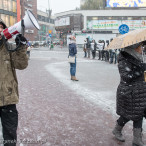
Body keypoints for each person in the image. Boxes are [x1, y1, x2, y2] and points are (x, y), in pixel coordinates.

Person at [0, 19, 28, 146]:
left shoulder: (10, 47)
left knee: (10, 136)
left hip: (8, 99)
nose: (0, 29)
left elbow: (21, 65)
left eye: (1, 27)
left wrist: (21, 47)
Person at [112, 42, 146, 146]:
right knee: (132, 115)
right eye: (140, 46)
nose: (142, 48)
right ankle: (121, 132)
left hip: (139, 91)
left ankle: (134, 137)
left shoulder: (139, 58)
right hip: (129, 92)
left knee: (136, 114)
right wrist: (140, 70)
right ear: (134, 48)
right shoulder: (124, 59)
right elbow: (126, 77)